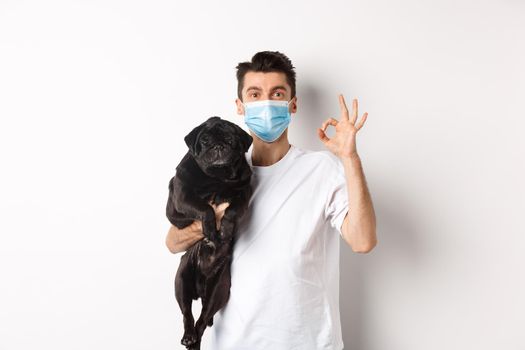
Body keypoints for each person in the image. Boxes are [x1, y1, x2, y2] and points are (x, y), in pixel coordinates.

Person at [165, 51, 377, 350]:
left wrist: (350, 158)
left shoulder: (321, 169)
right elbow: (173, 242)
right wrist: (210, 218)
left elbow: (363, 241)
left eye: (277, 94)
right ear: (240, 106)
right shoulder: (219, 175)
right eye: (255, 94)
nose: (266, 103)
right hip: (233, 343)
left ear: (292, 104)